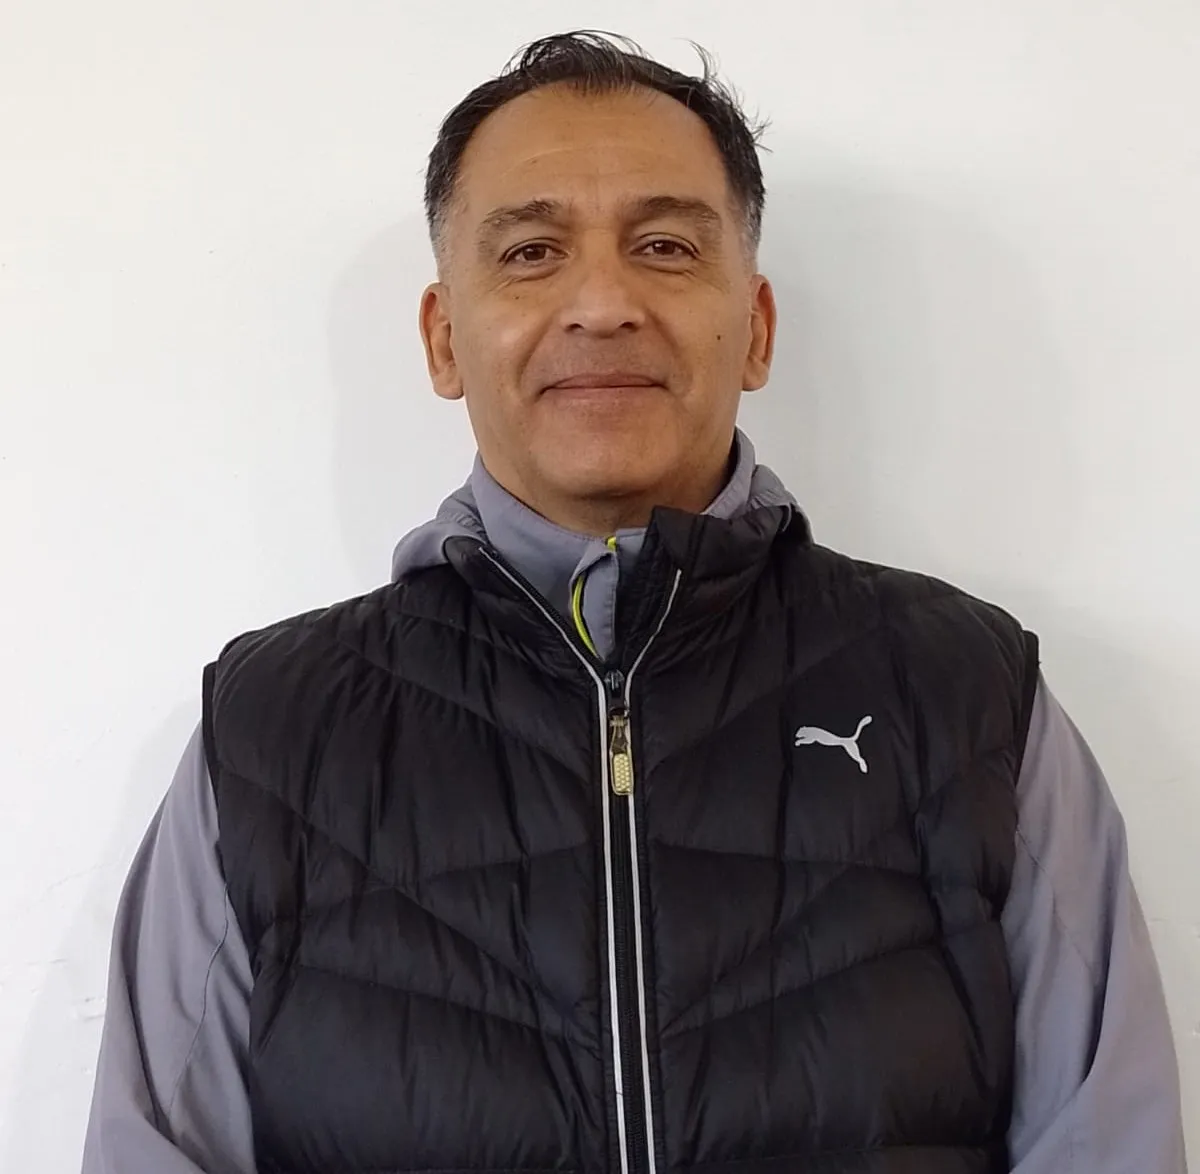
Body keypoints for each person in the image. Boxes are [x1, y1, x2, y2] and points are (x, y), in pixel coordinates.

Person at [82, 29, 1187, 1174]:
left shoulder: (970, 699)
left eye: (664, 245)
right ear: (444, 338)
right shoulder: (270, 734)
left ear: (755, 328)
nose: (603, 302)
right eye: (531, 252)